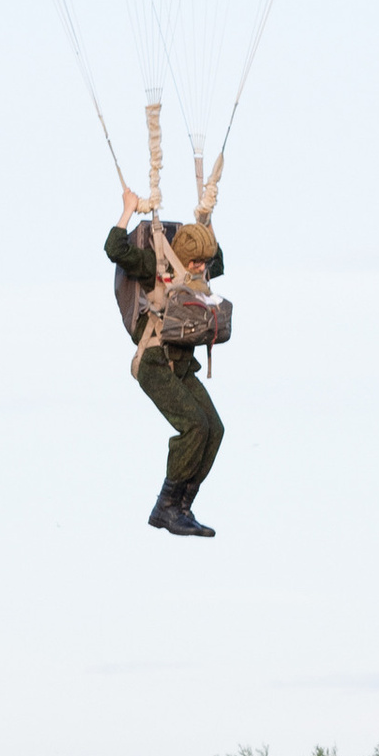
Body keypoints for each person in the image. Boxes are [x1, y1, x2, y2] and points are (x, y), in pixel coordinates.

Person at [103, 208, 226, 536]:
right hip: (155, 364)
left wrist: (206, 221)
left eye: (204, 261)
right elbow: (115, 249)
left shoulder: (199, 276)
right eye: (196, 260)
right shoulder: (154, 267)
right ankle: (166, 507)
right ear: (184, 255)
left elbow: (220, 262)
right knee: (194, 426)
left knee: (214, 429)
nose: (202, 267)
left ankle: (182, 506)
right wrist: (127, 210)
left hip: (182, 366)